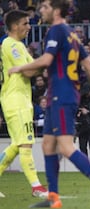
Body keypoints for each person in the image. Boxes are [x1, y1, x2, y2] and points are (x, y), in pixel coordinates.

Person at [8, 0, 90, 207]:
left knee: (66, 147)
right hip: (59, 96)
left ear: (56, 11)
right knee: (48, 145)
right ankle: (53, 198)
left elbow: (47, 60)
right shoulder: (72, 34)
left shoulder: (56, 30)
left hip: (62, 95)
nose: (41, 10)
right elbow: (89, 67)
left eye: (45, 7)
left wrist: (20, 68)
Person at [0, 9, 48, 198]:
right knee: (26, 143)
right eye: (26, 23)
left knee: (16, 145)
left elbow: (33, 68)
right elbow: (31, 71)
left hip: (15, 99)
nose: (29, 27)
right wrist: (38, 66)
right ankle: (36, 187)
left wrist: (35, 67)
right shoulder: (13, 45)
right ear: (14, 26)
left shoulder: (16, 45)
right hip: (17, 100)